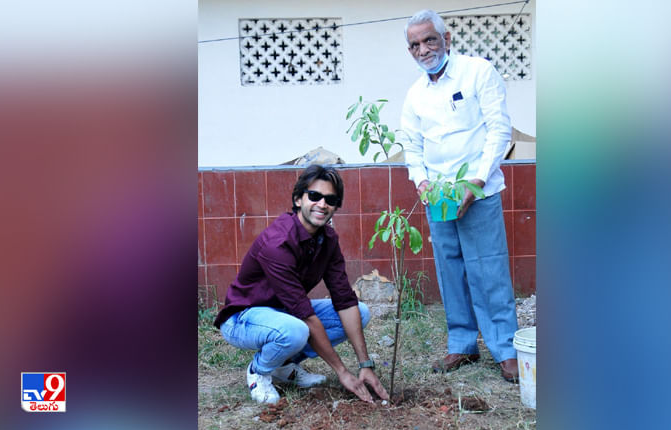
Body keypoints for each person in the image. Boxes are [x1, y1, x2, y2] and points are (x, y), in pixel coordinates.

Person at [400, 9, 520, 383]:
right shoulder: (415, 94)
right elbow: (411, 145)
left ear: (446, 39)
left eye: (429, 40)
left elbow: (499, 130)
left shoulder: (478, 71)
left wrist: (477, 182)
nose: (423, 50)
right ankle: (463, 344)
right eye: (415, 45)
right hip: (438, 197)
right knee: (450, 270)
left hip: (479, 193)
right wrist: (420, 181)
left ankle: (506, 349)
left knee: (489, 270)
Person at [213, 165, 390, 403]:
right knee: (295, 330)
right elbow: (305, 316)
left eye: (331, 199)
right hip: (243, 318)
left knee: (360, 311)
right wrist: (342, 372)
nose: (322, 204)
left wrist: (365, 364)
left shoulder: (327, 239)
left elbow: (344, 299)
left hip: (285, 313)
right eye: (314, 196)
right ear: (298, 199)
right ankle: (259, 371)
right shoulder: (278, 243)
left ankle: (284, 365)